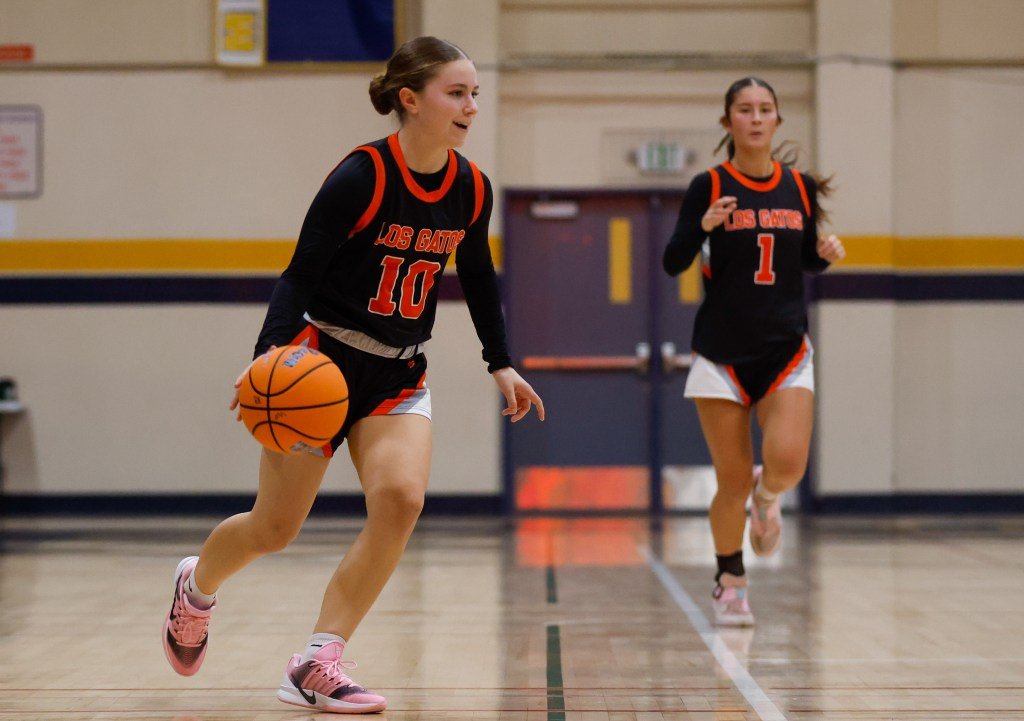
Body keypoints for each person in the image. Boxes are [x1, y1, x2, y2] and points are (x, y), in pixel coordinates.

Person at [161, 36, 544, 713]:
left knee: (400, 499)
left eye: (475, 94)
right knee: (275, 528)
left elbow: (479, 277)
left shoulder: (471, 187)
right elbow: (299, 273)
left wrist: (501, 360)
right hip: (319, 362)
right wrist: (267, 359)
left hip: (397, 372)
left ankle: (318, 660)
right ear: (410, 99)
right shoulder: (361, 177)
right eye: (457, 93)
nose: (471, 107)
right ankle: (196, 587)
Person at [662, 77, 844, 627]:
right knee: (731, 479)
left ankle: (768, 504)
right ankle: (730, 580)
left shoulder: (799, 187)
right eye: (745, 110)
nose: (756, 118)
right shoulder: (709, 184)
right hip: (721, 352)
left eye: (766, 109)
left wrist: (824, 254)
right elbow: (673, 262)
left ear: (777, 121)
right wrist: (702, 226)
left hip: (785, 346)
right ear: (728, 123)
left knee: (786, 464)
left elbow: (803, 261)